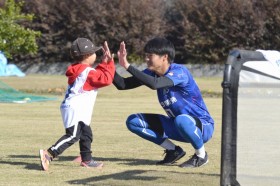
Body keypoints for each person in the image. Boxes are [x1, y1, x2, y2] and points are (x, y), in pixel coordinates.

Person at [113, 37, 214, 168]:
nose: (146, 59)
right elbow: (123, 84)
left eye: (150, 56)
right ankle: (173, 151)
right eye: (146, 55)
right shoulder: (152, 72)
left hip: (201, 127)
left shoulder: (180, 71)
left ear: (164, 57)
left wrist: (127, 65)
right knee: (133, 121)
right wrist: (108, 65)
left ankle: (201, 156)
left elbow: (155, 84)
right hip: (177, 125)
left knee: (181, 120)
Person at [39, 38, 115, 171]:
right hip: (75, 108)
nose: (95, 55)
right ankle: (49, 153)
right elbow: (106, 79)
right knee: (73, 135)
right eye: (93, 53)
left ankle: (87, 160)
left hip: (76, 107)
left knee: (86, 134)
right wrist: (110, 62)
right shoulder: (87, 72)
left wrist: (104, 62)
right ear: (87, 56)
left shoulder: (81, 70)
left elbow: (97, 75)